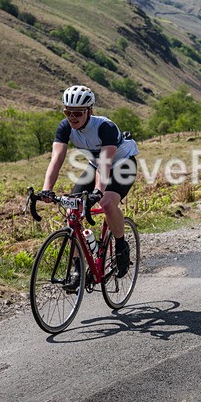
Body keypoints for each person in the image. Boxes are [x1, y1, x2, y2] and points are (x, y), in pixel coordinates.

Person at [41, 85, 139, 283]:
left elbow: (106, 163)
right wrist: (46, 189)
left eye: (77, 112)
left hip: (122, 164)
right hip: (96, 165)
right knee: (72, 209)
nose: (72, 117)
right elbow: (57, 159)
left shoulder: (105, 127)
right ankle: (78, 270)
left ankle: (121, 247)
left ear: (90, 111)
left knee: (107, 203)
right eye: (68, 112)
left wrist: (98, 192)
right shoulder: (65, 127)